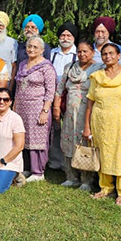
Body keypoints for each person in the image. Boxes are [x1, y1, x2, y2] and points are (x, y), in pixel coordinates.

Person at [83, 42, 121, 206]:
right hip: (102, 122)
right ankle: (106, 187)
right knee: (104, 152)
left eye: (111, 53)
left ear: (119, 56)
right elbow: (90, 102)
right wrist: (87, 126)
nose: (108, 56)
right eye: (104, 54)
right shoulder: (97, 76)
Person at [53, 40, 103, 191]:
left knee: (85, 142)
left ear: (92, 52)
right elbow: (59, 89)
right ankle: (71, 177)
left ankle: (87, 179)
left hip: (87, 112)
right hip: (69, 113)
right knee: (68, 142)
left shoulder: (98, 69)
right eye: (79, 52)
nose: (82, 54)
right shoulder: (70, 67)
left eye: (85, 51)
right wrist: (56, 107)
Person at [13, 36, 56, 182]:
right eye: (29, 46)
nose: (31, 49)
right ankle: (26, 167)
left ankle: (38, 172)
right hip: (22, 107)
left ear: (42, 50)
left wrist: (45, 111)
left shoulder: (46, 67)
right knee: (23, 136)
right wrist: (15, 105)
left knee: (37, 139)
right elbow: (18, 87)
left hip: (38, 107)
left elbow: (50, 91)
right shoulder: (23, 64)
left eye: (35, 47)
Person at [47, 21, 78, 170]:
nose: (65, 38)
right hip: (52, 94)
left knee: (70, 129)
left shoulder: (78, 54)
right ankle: (54, 161)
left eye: (69, 35)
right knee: (55, 128)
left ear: (74, 37)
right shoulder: (52, 53)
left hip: (71, 96)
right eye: (63, 35)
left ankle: (70, 162)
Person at [0, 11, 17, 76]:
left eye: (0, 25)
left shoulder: (12, 42)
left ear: (5, 26)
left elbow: (14, 65)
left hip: (6, 79)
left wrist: (11, 82)